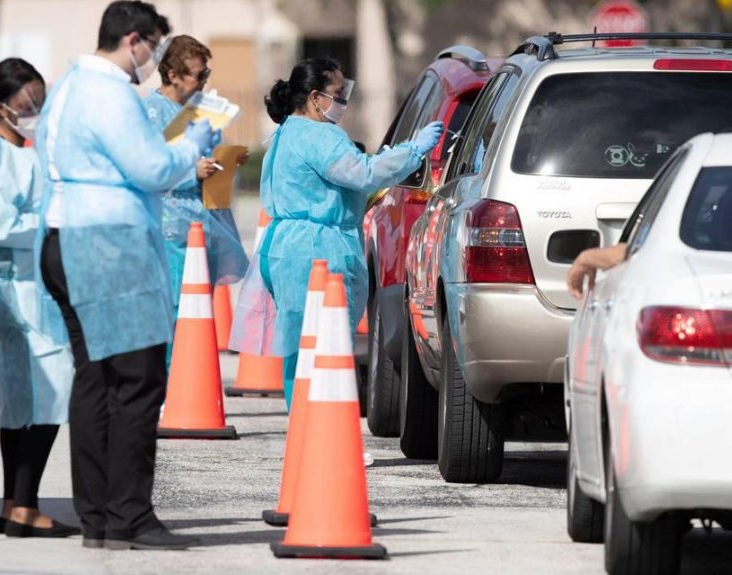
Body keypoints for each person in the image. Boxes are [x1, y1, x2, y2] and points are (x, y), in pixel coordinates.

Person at [35, 0, 219, 551]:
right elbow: (152, 168)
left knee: (94, 379)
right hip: (109, 243)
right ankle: (130, 517)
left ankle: (97, 518)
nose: (154, 60)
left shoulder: (68, 85)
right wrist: (193, 144)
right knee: (138, 381)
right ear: (134, 40)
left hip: (63, 238)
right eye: (154, 47)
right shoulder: (111, 92)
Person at [230, 58, 444, 408]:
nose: (343, 101)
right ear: (316, 98)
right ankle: (321, 429)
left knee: (300, 347)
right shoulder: (319, 135)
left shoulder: (286, 131)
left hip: (286, 248)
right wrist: (412, 151)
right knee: (325, 344)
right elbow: (362, 173)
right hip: (316, 251)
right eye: (338, 93)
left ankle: (303, 426)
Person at [0, 58, 78, 538]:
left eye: (40, 102)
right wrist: (52, 225)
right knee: (47, 395)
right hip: (20, 293)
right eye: (27, 104)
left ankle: (16, 504)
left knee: (22, 404)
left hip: (21, 290)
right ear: (0, 105)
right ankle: (25, 504)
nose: (35, 112)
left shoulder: (14, 153)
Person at [142, 35, 249, 365]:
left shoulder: (200, 111)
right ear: (173, 75)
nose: (204, 82)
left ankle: (189, 377)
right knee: (176, 308)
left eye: (207, 74)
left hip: (203, 220)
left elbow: (207, 155)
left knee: (198, 309)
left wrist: (225, 160)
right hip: (169, 226)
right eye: (198, 75)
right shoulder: (149, 113)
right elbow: (147, 169)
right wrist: (192, 172)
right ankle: (169, 380)